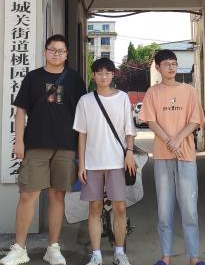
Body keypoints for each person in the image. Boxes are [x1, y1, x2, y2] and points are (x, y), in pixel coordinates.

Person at [1, 34, 88, 265]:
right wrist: (19, 141)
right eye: (52, 49)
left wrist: (83, 149)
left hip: (66, 145)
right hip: (36, 144)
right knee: (28, 194)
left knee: (57, 196)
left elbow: (84, 115)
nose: (56, 54)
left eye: (61, 51)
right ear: (45, 51)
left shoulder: (75, 80)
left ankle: (53, 248)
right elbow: (21, 111)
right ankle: (19, 248)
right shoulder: (33, 77)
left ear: (67, 54)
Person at [138, 49, 205, 265]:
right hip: (162, 156)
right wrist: (169, 140)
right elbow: (150, 121)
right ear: (157, 67)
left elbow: (196, 120)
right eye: (167, 64)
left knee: (189, 209)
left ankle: (193, 257)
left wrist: (178, 139)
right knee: (164, 209)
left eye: (174, 63)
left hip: (186, 156)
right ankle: (165, 257)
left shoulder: (189, 91)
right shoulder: (153, 92)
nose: (171, 67)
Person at [73, 58, 138, 265]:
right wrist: (81, 164)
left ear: (113, 75)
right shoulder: (85, 101)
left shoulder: (123, 98)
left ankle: (119, 252)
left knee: (120, 208)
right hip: (93, 163)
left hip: (118, 162)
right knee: (94, 208)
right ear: (93, 76)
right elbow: (82, 134)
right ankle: (96, 255)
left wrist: (129, 153)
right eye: (99, 73)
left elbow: (129, 129)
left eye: (107, 72)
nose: (103, 76)